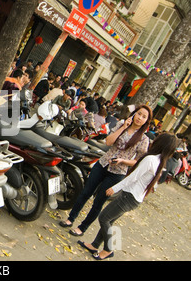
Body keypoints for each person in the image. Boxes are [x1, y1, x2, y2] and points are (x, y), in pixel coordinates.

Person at [78, 132, 179, 260]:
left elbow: (133, 177)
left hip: (129, 197)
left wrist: (114, 188)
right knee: (110, 220)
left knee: (104, 218)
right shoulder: (159, 161)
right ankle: (95, 245)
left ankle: (109, 249)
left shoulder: (151, 159)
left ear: (159, 143)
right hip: (135, 198)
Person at [59, 104, 152, 237]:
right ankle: (70, 219)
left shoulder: (144, 139)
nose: (140, 118)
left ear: (146, 122)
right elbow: (108, 142)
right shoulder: (121, 126)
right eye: (139, 114)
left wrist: (123, 161)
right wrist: (124, 127)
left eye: (144, 117)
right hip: (102, 164)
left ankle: (82, 228)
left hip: (117, 172)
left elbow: (138, 161)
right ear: (133, 114)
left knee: (98, 201)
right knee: (85, 192)